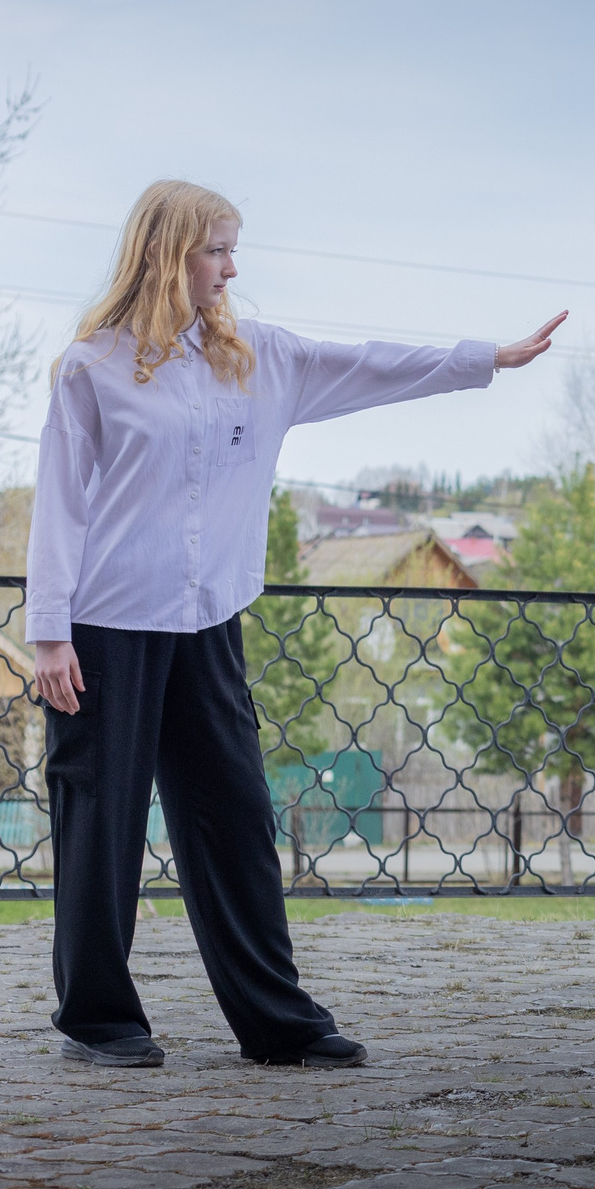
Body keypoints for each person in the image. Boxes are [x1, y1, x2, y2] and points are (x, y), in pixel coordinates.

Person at [28, 179, 562, 1069]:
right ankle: (100, 1018)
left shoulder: (261, 358)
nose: (232, 268)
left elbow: (371, 364)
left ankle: (277, 1021)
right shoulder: (93, 366)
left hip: (207, 624)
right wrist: (50, 632)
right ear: (168, 252)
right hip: (104, 628)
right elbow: (61, 502)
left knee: (236, 816)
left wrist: (486, 359)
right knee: (102, 821)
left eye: (235, 250)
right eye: (217, 250)